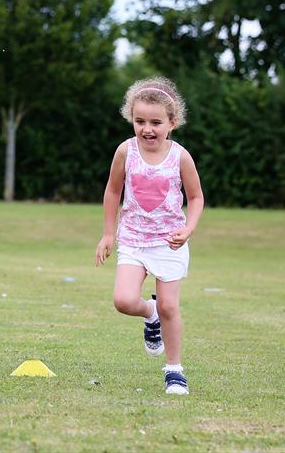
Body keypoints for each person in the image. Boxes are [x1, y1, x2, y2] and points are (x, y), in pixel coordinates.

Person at [95, 76, 204, 395]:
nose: (147, 129)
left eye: (156, 122)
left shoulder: (180, 156)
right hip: (133, 239)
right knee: (124, 300)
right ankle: (149, 311)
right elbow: (113, 191)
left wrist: (188, 229)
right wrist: (108, 234)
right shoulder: (125, 151)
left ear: (173, 122)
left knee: (171, 306)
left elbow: (196, 198)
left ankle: (174, 372)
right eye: (139, 121)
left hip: (169, 242)